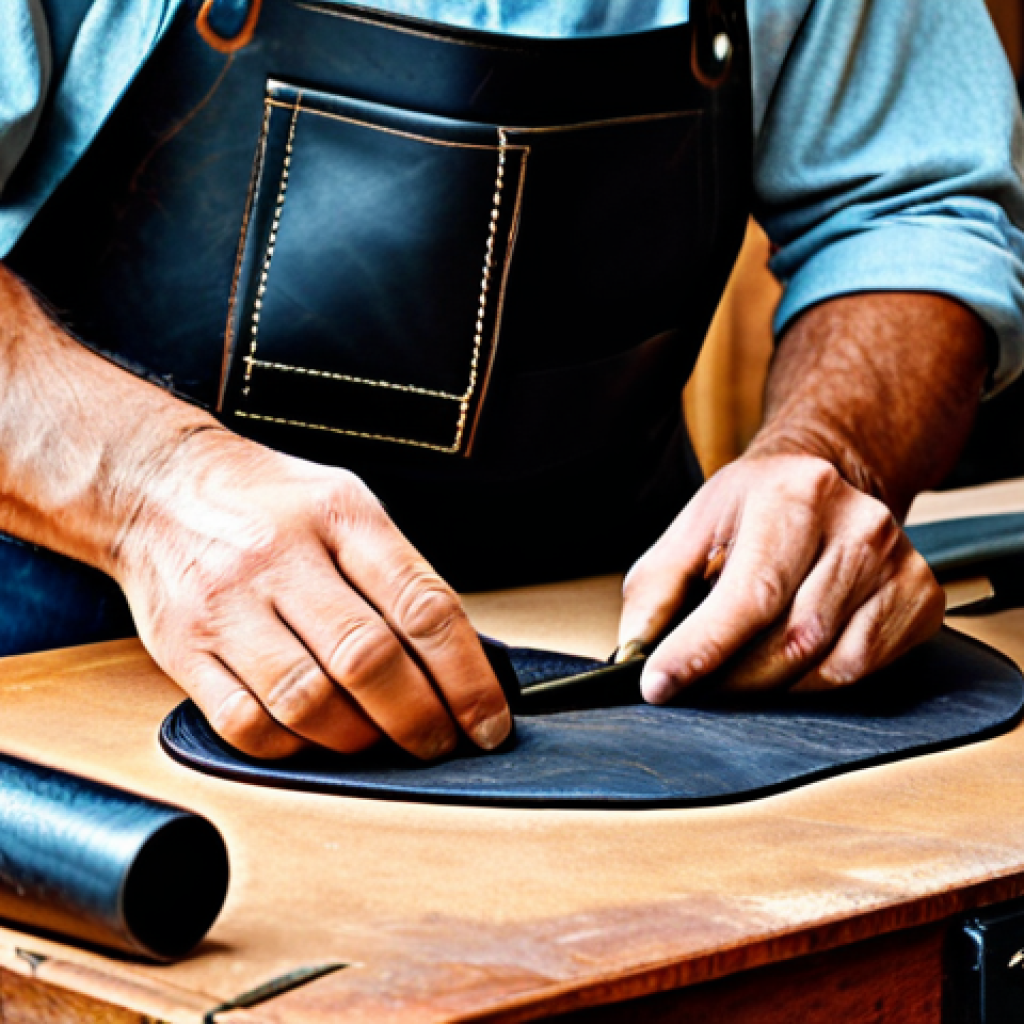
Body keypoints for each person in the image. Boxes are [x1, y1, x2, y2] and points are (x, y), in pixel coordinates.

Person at [0, 0, 1021, 762]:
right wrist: (150, 487)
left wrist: (829, 450)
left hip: (619, 692)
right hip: (67, 674)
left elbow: (913, 212)